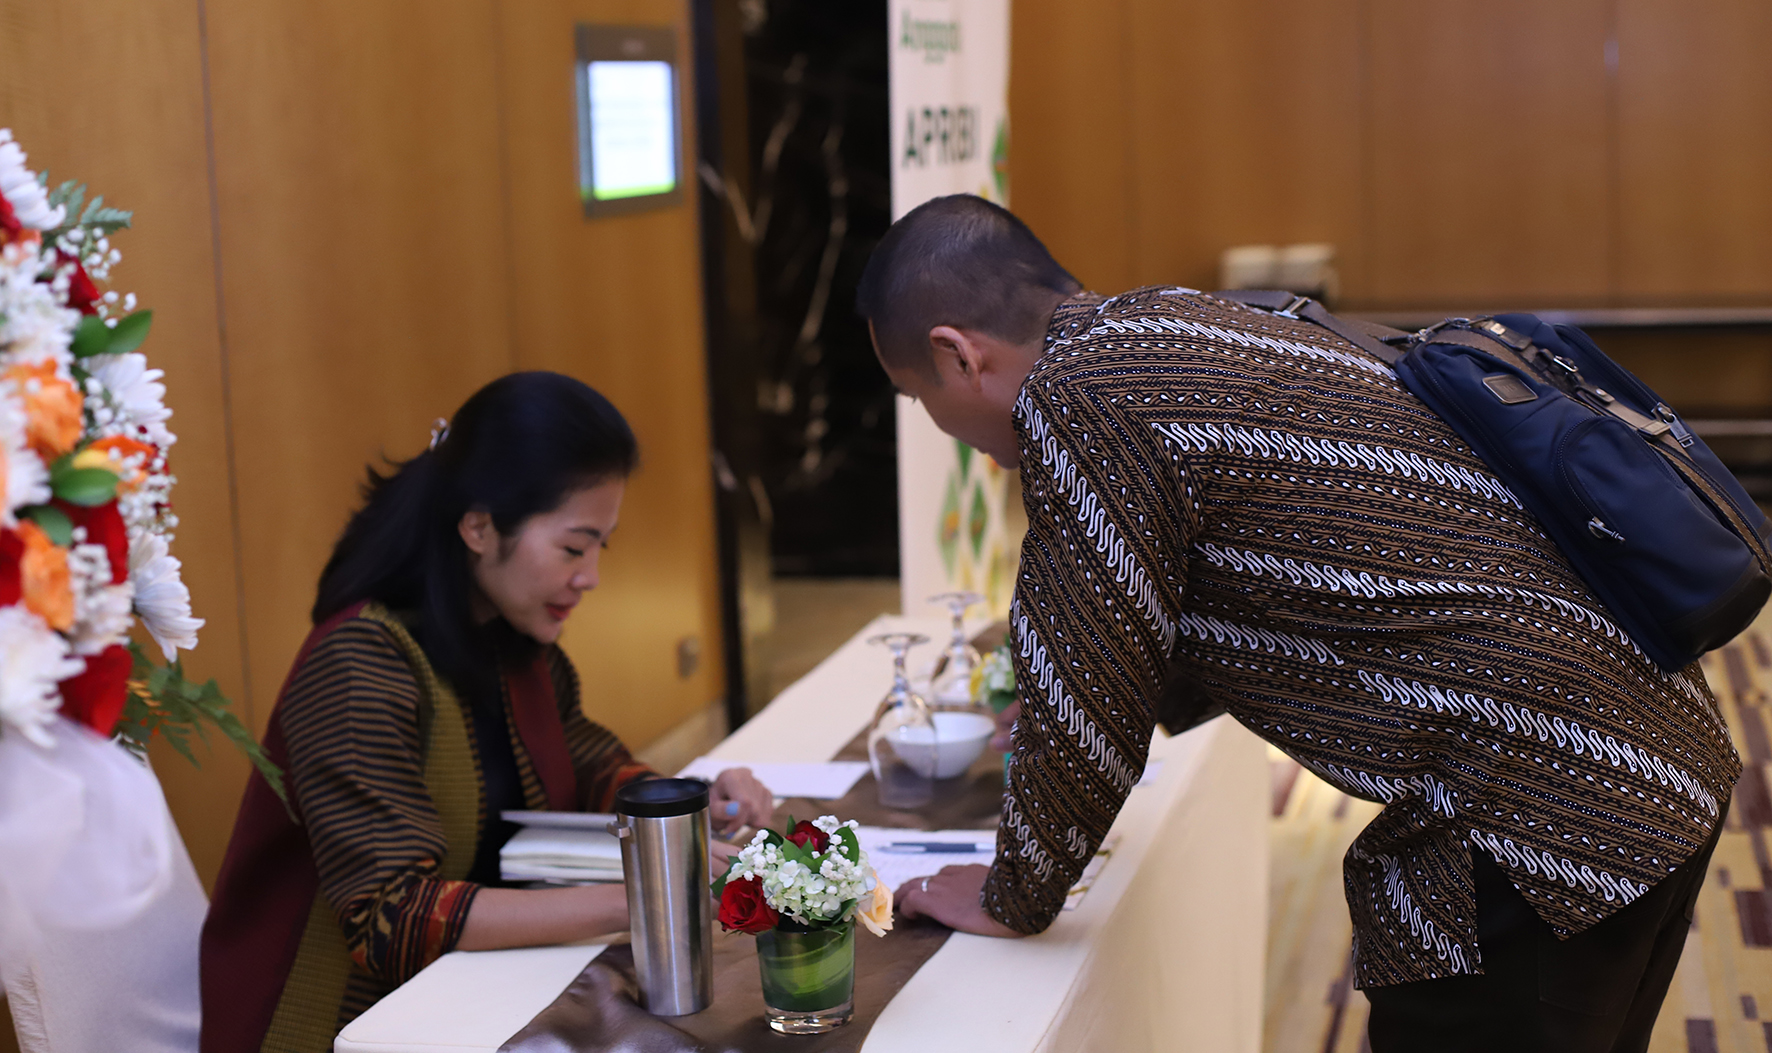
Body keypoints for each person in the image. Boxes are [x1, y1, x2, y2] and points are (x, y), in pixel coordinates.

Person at [862, 195, 1739, 1053]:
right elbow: (1243, 568)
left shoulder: (1077, 396)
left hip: (1542, 811)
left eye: (914, 396)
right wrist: (1092, 696)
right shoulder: (1179, 323)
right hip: (1645, 757)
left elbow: (1087, 678)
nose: (939, 426)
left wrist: (1012, 893)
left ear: (956, 354)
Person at [199, 372, 774, 1053]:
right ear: (478, 526)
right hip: (345, 1026)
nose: (590, 575)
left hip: (472, 995)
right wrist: (649, 898)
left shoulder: (507, 636)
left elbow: (587, 763)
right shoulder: (359, 664)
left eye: (601, 546)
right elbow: (391, 917)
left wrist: (691, 806)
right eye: (573, 547)